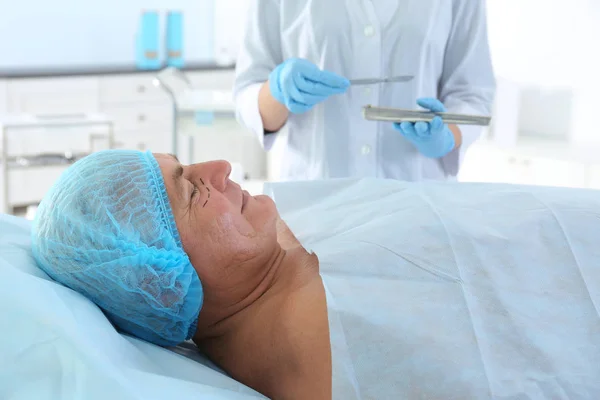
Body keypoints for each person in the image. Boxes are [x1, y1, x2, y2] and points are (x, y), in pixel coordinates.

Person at [31, 150, 600, 399]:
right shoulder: (344, 365)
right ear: (159, 278)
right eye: (191, 187)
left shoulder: (279, 238)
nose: (221, 168)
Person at [233, 0, 496, 182]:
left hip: (418, 205)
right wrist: (278, 91)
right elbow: (247, 93)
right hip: (315, 206)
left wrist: (445, 136)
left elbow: (472, 93)